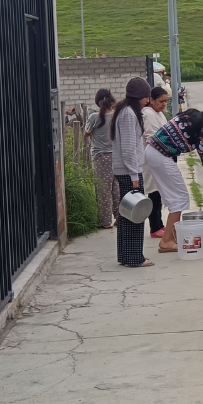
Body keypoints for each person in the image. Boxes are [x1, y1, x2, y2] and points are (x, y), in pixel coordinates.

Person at [155, 100, 203, 252]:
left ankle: (169, 238)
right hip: (161, 155)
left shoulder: (193, 116)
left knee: (176, 198)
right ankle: (167, 241)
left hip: (158, 153)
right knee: (180, 198)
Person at [111, 77, 153, 267]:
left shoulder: (125, 111)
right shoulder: (129, 114)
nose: (148, 101)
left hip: (127, 171)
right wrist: (135, 175)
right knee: (136, 214)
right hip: (130, 173)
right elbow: (128, 147)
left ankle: (125, 256)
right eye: (146, 97)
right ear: (140, 96)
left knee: (127, 214)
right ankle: (135, 258)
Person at [84, 89, 117, 229]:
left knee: (103, 189)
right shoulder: (116, 115)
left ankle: (105, 221)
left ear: (97, 102)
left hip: (100, 157)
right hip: (116, 156)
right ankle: (120, 217)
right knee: (117, 188)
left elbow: (86, 133)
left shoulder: (94, 117)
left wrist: (96, 135)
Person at [141, 86, 170, 238]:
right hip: (151, 159)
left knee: (159, 193)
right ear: (151, 100)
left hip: (160, 158)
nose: (164, 104)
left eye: (166, 101)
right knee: (154, 193)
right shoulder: (148, 113)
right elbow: (152, 137)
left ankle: (159, 224)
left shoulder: (159, 114)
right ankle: (154, 227)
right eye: (161, 101)